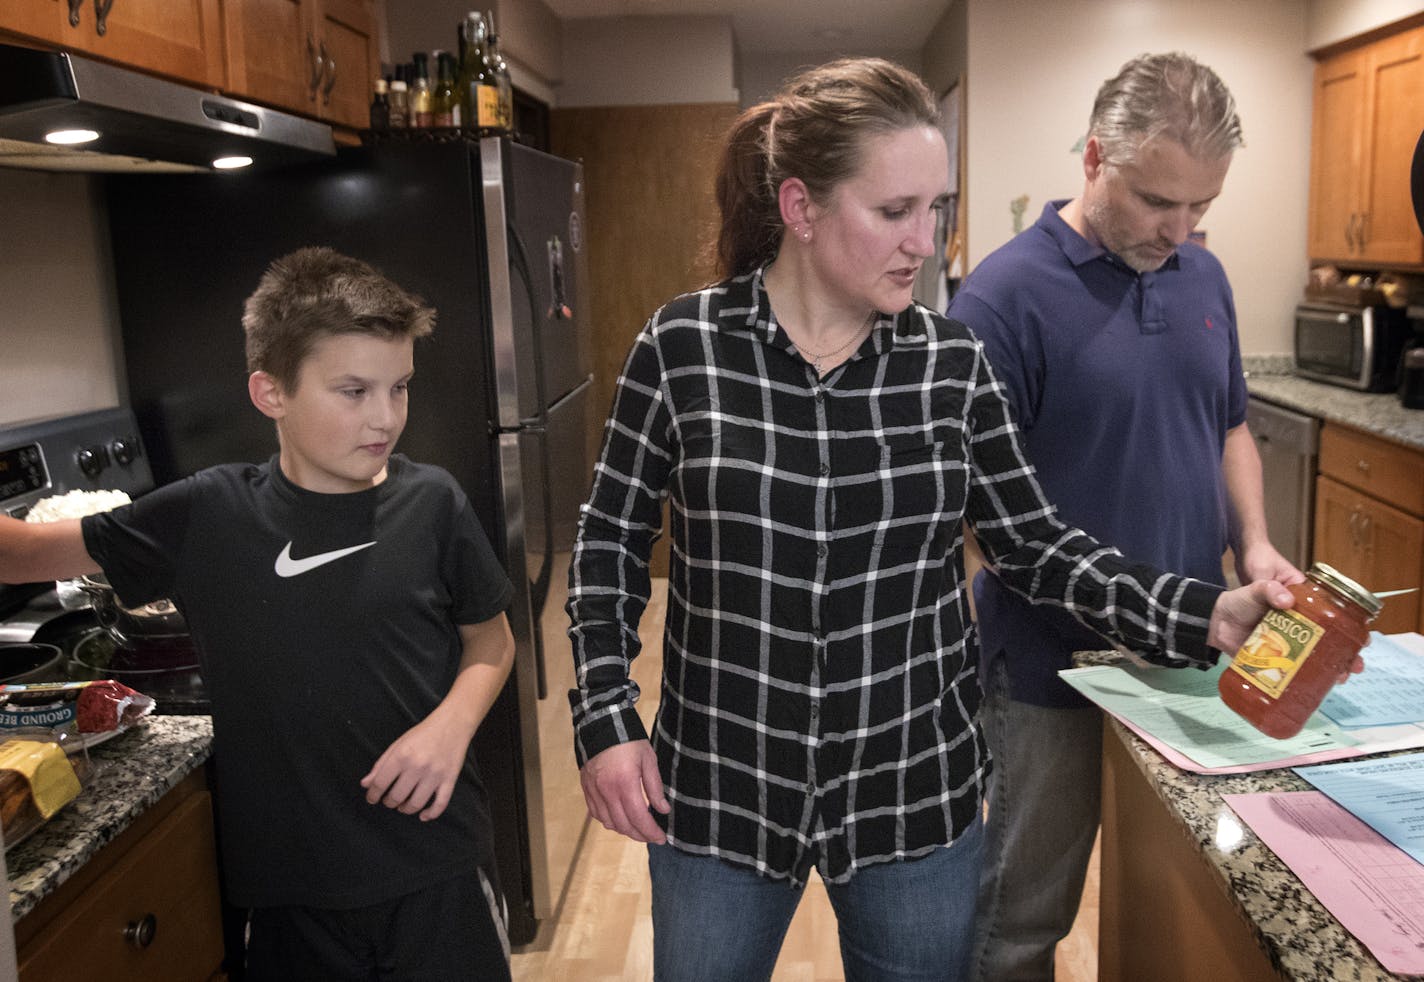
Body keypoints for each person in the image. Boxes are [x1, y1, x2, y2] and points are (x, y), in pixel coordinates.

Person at [564, 57, 1294, 982]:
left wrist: (1206, 613)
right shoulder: (683, 350)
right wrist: (604, 718)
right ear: (801, 208)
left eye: (935, 209)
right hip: (723, 790)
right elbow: (608, 544)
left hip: (910, 798)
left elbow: (1034, 547)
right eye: (894, 211)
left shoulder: (951, 366)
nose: (926, 240)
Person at [0, 247, 517, 981]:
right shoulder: (206, 513)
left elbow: (490, 642)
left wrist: (450, 729)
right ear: (270, 392)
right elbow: (18, 554)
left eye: (399, 387)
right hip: (285, 889)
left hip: (437, 864)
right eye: (353, 390)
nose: (386, 417)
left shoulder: (434, 503)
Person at [945, 52, 1301, 981]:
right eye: (1156, 202)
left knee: (1178, 896)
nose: (1178, 231)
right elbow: (997, 530)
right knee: (1024, 916)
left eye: (1200, 210)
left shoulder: (1202, 277)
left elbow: (1229, 427)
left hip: (1198, 653)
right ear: (1095, 156)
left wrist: (1254, 545)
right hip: (1050, 665)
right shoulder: (999, 300)